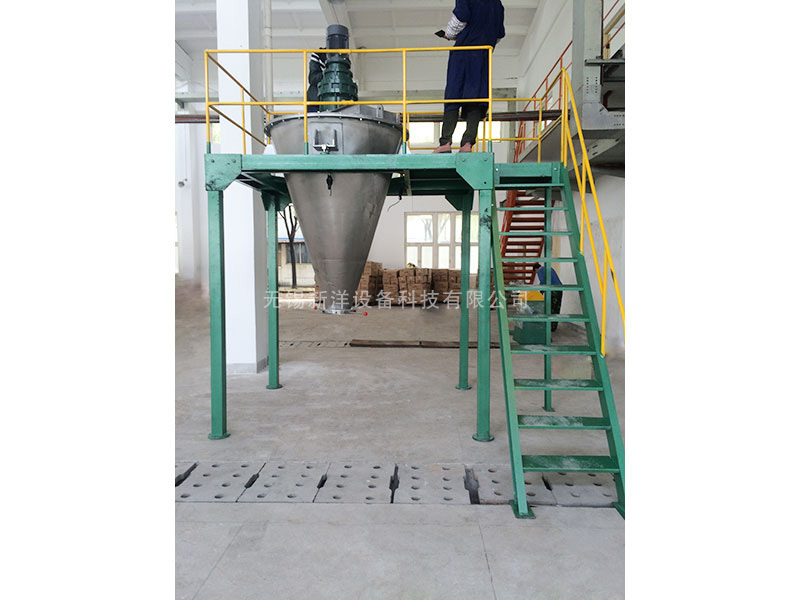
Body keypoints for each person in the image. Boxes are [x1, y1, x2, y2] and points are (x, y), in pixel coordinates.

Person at [434, 0, 505, 154]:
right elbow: (499, 34)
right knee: (476, 99)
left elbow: (461, 17)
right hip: (483, 56)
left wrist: (449, 34)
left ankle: (445, 143)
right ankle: (467, 144)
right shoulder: (498, 4)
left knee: (453, 96)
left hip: (463, 54)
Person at [533, 263, 563, 332]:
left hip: (553, 290)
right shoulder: (549, 268)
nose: (537, 273)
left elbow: (543, 282)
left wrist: (540, 293)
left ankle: (549, 327)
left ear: (536, 269)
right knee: (556, 308)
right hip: (560, 289)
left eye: (536, 272)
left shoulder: (540, 271)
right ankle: (553, 327)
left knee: (550, 309)